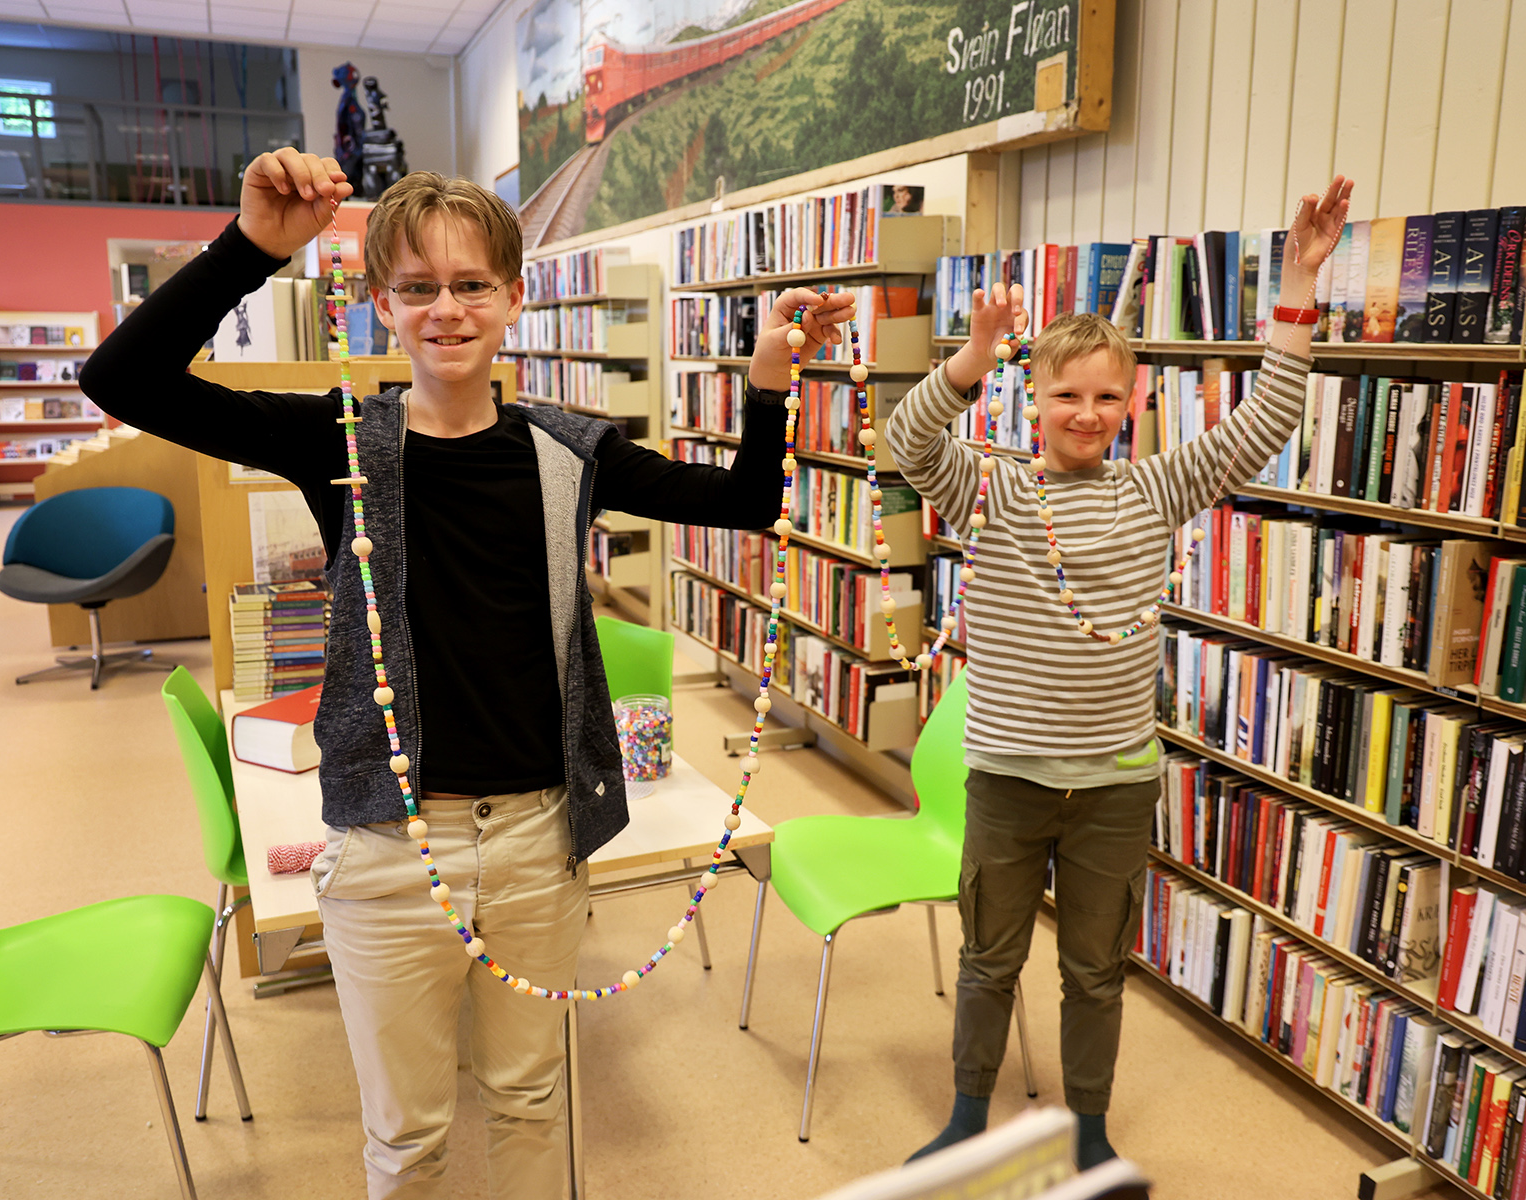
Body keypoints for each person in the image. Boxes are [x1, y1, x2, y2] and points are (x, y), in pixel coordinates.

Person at [81, 147, 856, 1198]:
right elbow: (119, 378)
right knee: (407, 1140)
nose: (447, 309)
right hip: (393, 850)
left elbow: (747, 504)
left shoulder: (570, 451)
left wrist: (767, 382)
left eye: (472, 284)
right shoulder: (343, 441)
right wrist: (252, 251)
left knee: (534, 1102)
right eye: (418, 288)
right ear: (381, 306)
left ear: (515, 298)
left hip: (541, 837)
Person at [888, 177, 1354, 1169]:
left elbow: (1265, 420)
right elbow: (906, 440)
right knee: (988, 962)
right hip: (1009, 781)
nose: (1086, 413)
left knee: (1096, 973)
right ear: (1035, 398)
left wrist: (1302, 281)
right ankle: (969, 1117)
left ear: (1133, 400)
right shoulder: (996, 490)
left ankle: (1091, 1134)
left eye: (1107, 396)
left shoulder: (1154, 490)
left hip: (1113, 786)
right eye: (1066, 395)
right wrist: (975, 355)